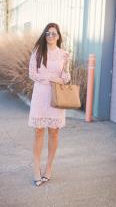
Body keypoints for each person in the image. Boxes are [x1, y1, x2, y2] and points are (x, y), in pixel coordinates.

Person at [28, 22, 71, 186]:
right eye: (48, 33)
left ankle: (49, 168)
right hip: (40, 96)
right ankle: (36, 169)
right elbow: (32, 74)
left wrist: (64, 69)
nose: (50, 36)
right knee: (39, 131)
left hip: (56, 97)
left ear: (58, 36)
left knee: (54, 132)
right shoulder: (37, 52)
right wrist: (52, 79)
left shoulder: (63, 54)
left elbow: (66, 78)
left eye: (54, 33)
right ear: (44, 36)